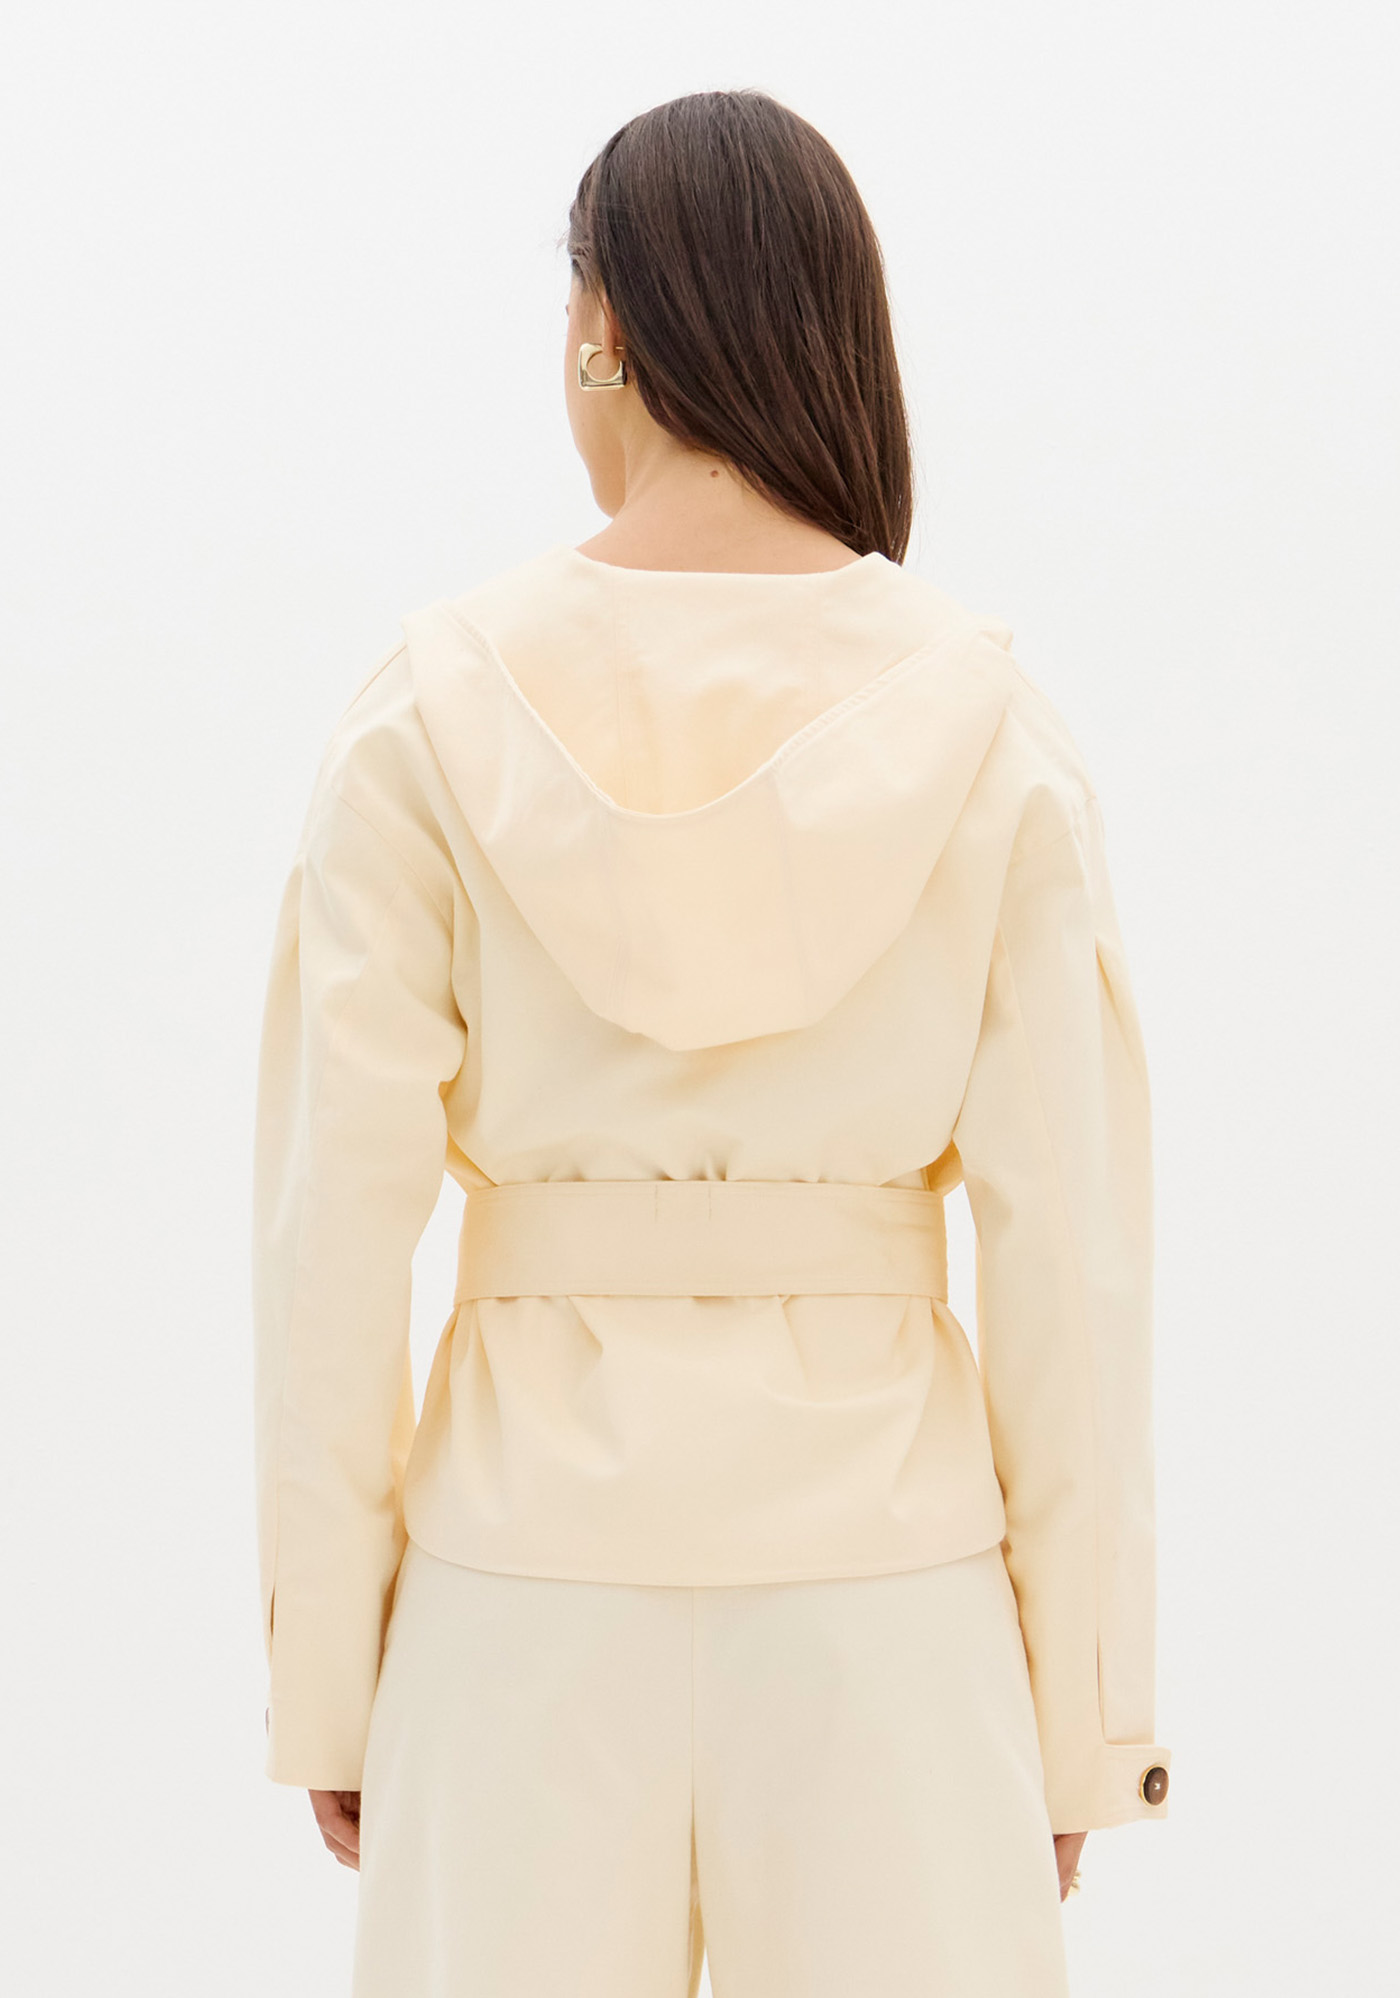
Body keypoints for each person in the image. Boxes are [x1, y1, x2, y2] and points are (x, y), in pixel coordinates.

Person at [251, 86, 1170, 1998]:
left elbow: (330, 1240)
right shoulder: (987, 727)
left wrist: (329, 1673)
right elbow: (1068, 1264)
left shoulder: (426, 715)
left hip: (517, 1584)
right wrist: (1086, 1717)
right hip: (888, 1592)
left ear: (603, 327)